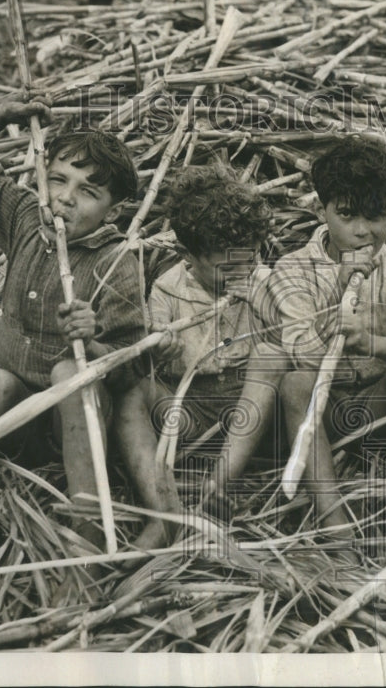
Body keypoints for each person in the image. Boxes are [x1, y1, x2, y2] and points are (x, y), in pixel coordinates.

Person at [0, 101, 145, 576]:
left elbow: (132, 372)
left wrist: (97, 344)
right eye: (58, 179)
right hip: (9, 427)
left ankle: (83, 560)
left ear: (115, 210)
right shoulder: (25, 219)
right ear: (41, 175)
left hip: (70, 433)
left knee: (72, 372)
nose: (66, 198)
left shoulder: (116, 264)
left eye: (88, 192)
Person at [260, 139, 386, 556]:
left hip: (378, 413)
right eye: (347, 216)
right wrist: (340, 289)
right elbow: (300, 349)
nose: (363, 231)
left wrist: (373, 343)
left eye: (376, 217)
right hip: (318, 416)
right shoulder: (292, 270)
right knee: (296, 383)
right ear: (321, 210)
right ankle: (335, 525)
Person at [114, 163, 283, 553]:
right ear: (189, 254)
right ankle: (163, 511)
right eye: (227, 264)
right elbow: (150, 349)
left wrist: (264, 305)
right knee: (134, 391)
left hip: (254, 414)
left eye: (250, 258)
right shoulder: (167, 290)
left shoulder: (264, 282)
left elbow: (294, 341)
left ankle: (219, 485)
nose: (242, 270)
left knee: (274, 358)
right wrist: (161, 351)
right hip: (191, 413)